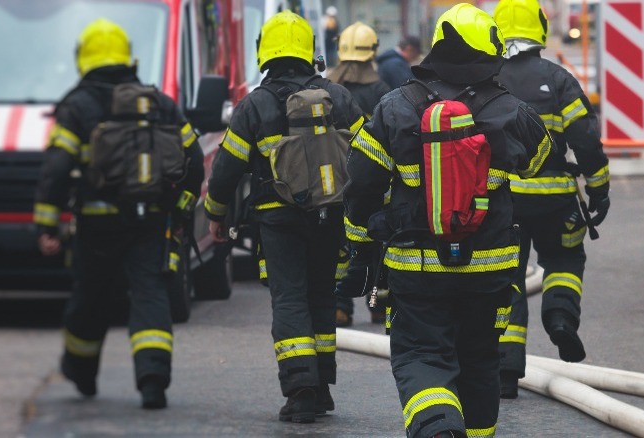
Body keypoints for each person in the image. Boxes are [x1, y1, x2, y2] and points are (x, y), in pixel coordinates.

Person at [336, 4, 553, 437]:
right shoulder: (510, 110)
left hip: (416, 270)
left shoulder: (395, 108)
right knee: (479, 361)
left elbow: (359, 185)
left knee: (421, 356)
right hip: (488, 269)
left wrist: (360, 249)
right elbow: (540, 160)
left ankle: (438, 428)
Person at [34, 18, 204, 410]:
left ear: (85, 58)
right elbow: (194, 161)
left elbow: (57, 168)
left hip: (96, 226)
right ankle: (153, 380)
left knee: (90, 298)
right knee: (150, 294)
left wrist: (47, 223)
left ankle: (81, 372)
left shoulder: (77, 106)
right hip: (152, 223)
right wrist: (180, 210)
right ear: (129, 57)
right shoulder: (159, 103)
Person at [204, 11, 365, 423]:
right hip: (330, 215)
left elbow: (225, 171)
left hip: (278, 220)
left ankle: (301, 389)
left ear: (266, 52)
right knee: (321, 296)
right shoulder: (339, 97)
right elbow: (370, 155)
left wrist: (215, 214)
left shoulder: (255, 105)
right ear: (309, 51)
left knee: (290, 298)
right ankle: (323, 385)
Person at [493, 0, 611, 399]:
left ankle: (505, 371)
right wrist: (599, 189)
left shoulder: (487, 80)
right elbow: (585, 139)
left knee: (505, 276)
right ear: (539, 30)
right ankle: (561, 317)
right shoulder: (558, 80)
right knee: (563, 259)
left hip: (501, 201)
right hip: (555, 198)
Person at [327, 21, 391, 327]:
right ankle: (379, 304)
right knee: (376, 240)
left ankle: (340, 306)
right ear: (372, 51)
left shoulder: (327, 88)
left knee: (340, 245)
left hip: (332, 180)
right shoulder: (380, 90)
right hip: (371, 181)